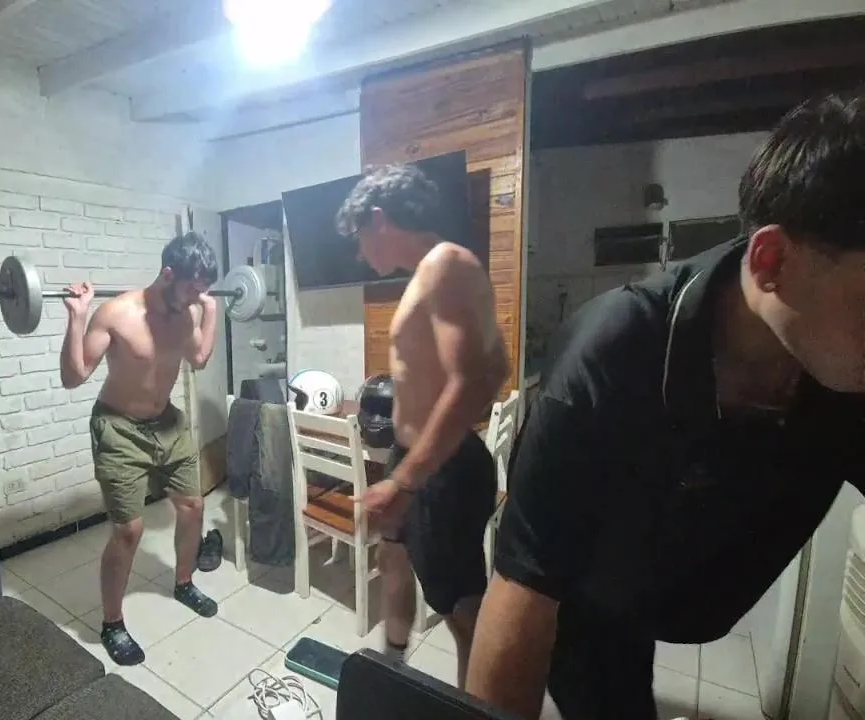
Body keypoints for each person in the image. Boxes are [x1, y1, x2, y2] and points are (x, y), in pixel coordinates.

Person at [465, 89, 865, 719]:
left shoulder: (838, 366)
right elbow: (525, 587)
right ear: (772, 260)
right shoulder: (616, 352)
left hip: (663, 594)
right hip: (591, 604)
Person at [335, 163, 508, 687]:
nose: (360, 252)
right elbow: (497, 365)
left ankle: (476, 707)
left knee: (459, 609)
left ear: (379, 219)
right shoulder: (432, 273)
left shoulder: (444, 264)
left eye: (360, 237)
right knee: (393, 558)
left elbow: (471, 378)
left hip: (441, 467)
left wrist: (407, 480)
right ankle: (392, 662)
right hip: (415, 457)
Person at [59, 231, 222, 666]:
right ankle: (112, 623)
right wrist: (77, 317)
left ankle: (184, 582)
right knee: (129, 530)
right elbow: (73, 377)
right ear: (167, 274)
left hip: (167, 422)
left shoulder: (188, 313)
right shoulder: (116, 314)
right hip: (119, 428)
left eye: (202, 292)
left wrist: (212, 311)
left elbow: (199, 359)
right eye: (192, 289)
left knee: (193, 506)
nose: (196, 298)